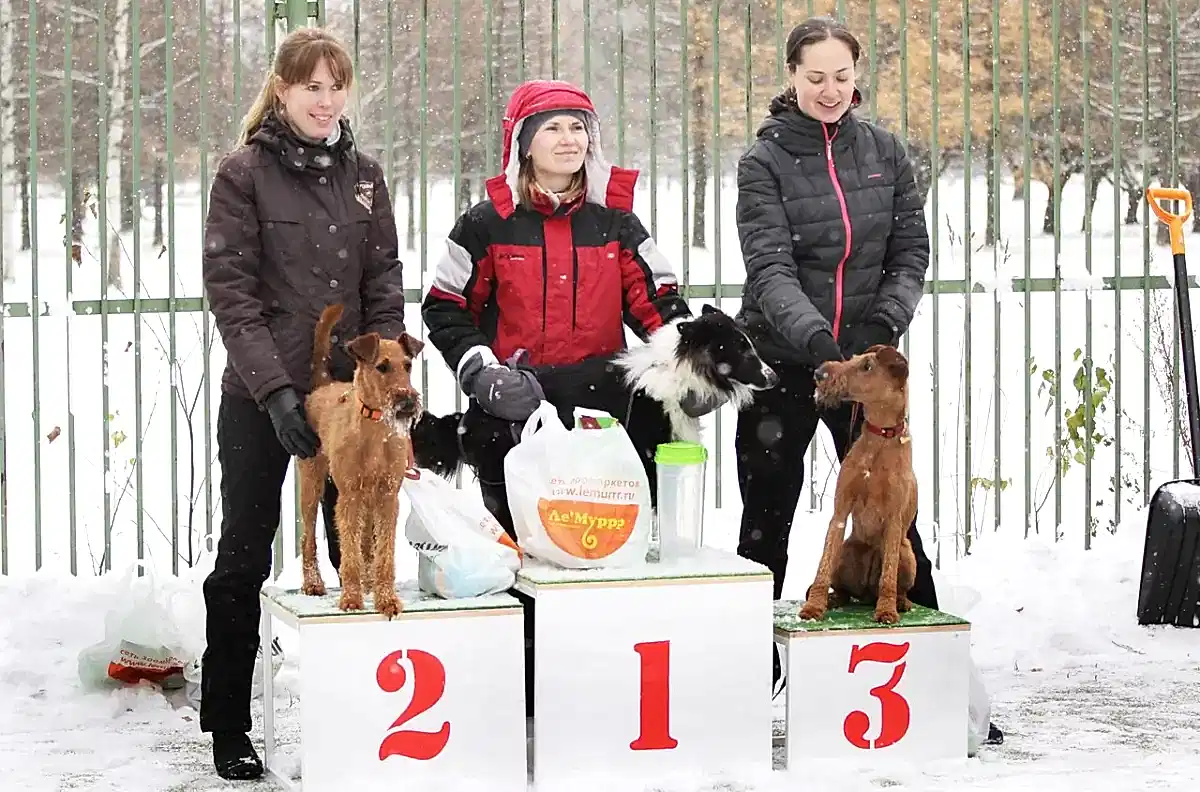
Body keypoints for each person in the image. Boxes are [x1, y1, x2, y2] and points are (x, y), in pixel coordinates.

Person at [733, 15, 1003, 746]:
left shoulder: (885, 152)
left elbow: (910, 249)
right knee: (766, 524)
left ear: (858, 76)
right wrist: (821, 346)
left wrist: (878, 330)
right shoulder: (763, 162)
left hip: (865, 368)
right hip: (785, 365)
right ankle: (744, 689)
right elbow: (770, 266)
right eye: (815, 77)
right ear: (792, 76)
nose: (830, 90)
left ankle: (946, 692)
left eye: (842, 76)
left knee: (895, 520)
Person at [200, 27, 407, 779]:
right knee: (244, 554)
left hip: (351, 404)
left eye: (336, 86)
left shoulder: (365, 176)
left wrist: (379, 382)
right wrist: (278, 393)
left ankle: (358, 718)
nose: (325, 101)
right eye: (311, 86)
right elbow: (232, 296)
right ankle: (229, 722)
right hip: (265, 398)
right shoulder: (243, 174)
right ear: (282, 90)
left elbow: (383, 283)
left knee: (359, 550)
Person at [421, 78, 696, 536]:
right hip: (515, 409)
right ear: (524, 144)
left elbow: (657, 302)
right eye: (552, 128)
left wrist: (692, 364)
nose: (569, 140)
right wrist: (483, 374)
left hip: (602, 413)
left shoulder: (616, 223)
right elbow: (446, 307)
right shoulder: (486, 224)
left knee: (599, 546)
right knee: (522, 548)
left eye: (578, 127)